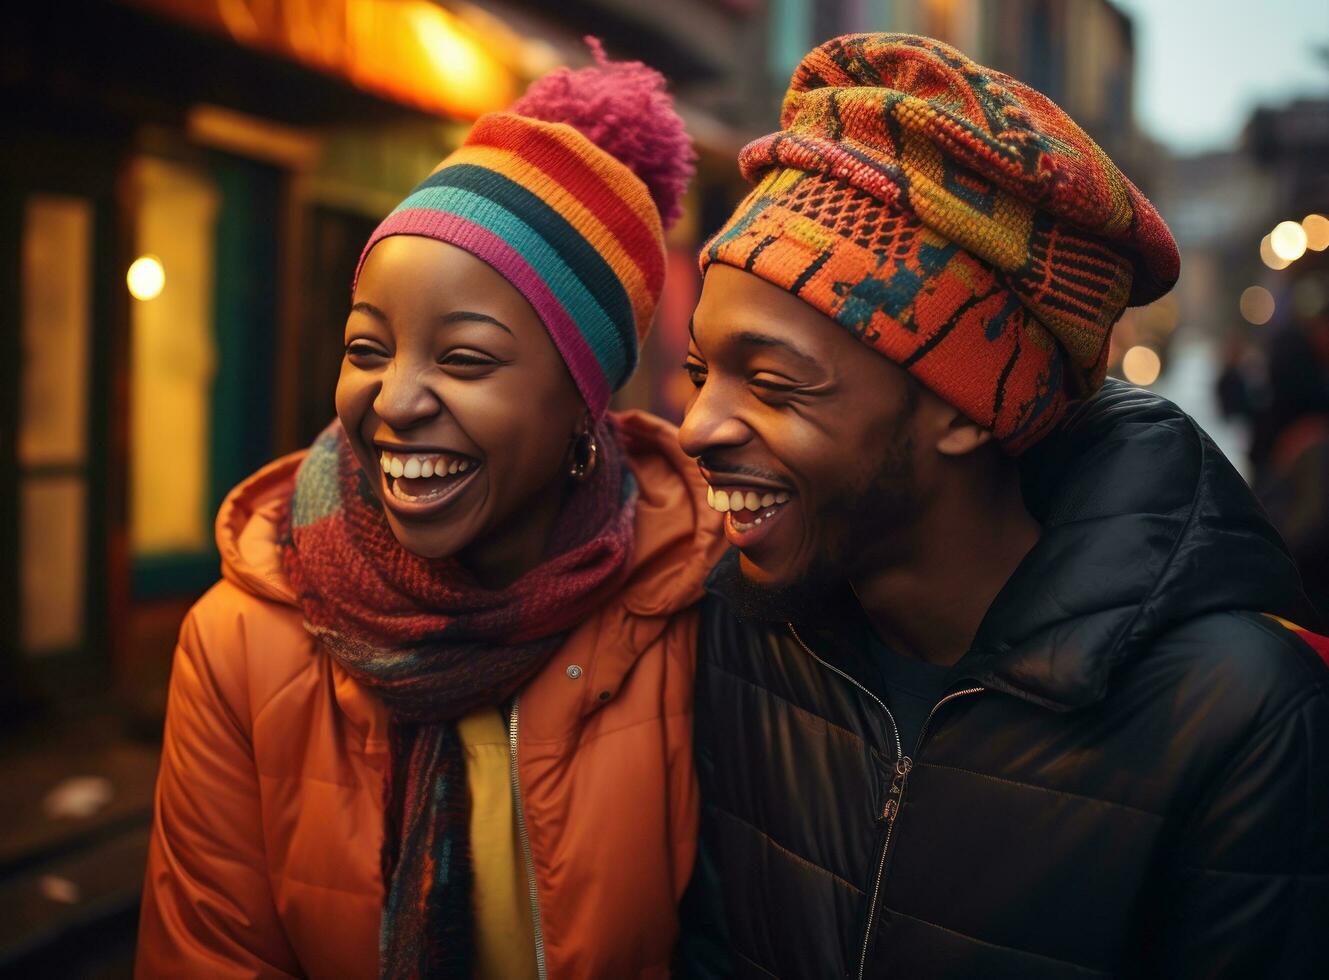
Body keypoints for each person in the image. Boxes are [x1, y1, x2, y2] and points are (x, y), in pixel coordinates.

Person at [676, 34, 1329, 978]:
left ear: (960, 407)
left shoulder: (1239, 723)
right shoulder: (739, 627)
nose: (697, 425)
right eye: (700, 373)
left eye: (773, 385)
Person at [136, 42, 723, 979]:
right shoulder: (239, 646)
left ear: (582, 399)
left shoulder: (691, 617)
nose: (396, 400)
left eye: (463, 359)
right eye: (368, 348)